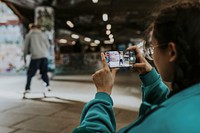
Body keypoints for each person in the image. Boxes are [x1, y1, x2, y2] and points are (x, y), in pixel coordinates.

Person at [73, 1, 200, 133]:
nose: (151, 54)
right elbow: (175, 103)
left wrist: (102, 95)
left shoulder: (159, 125)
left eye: (152, 48)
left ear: (171, 52)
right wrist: (150, 78)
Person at [23, 23, 51, 92]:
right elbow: (48, 45)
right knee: (44, 72)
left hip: (35, 57)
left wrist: (24, 57)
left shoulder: (29, 35)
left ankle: (28, 88)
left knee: (30, 73)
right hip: (44, 56)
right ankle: (47, 86)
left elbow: (25, 48)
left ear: (30, 28)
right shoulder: (43, 34)